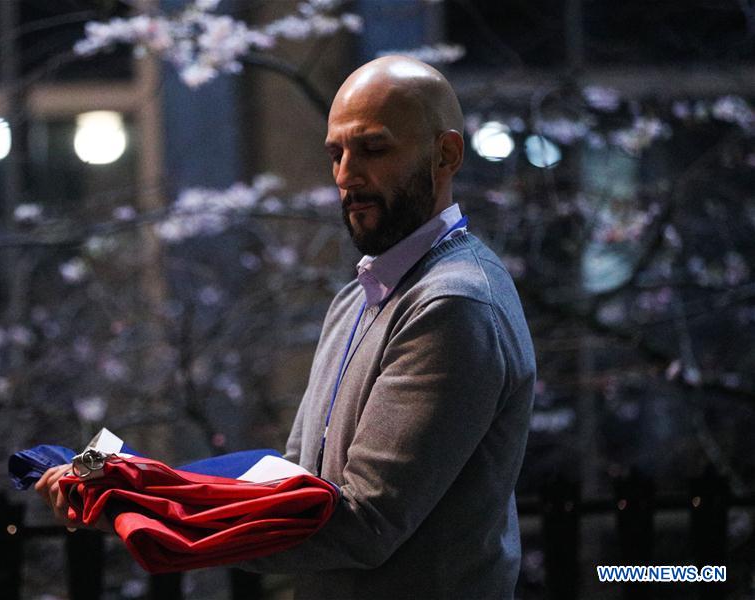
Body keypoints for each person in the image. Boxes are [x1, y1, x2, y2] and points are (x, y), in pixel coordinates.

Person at [38, 55, 536, 599]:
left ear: (446, 154)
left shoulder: (453, 304)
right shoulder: (358, 298)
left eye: (373, 149)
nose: (346, 175)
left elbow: (364, 524)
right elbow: (293, 487)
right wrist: (119, 477)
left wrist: (144, 509)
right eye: (336, 153)